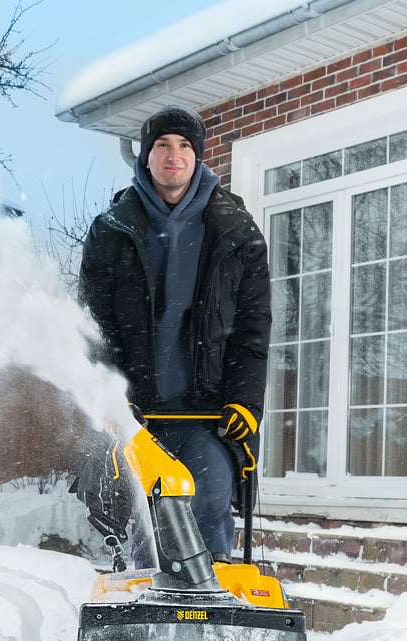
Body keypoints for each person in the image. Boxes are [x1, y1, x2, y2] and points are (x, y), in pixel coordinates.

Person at [78, 105, 272, 566]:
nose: (173, 155)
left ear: (199, 158)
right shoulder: (111, 233)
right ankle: (150, 619)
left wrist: (246, 402)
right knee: (154, 515)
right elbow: (90, 326)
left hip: (209, 414)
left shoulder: (236, 232)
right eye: (162, 145)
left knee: (208, 501)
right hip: (137, 414)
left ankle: (212, 619)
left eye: (185, 145)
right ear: (146, 158)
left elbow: (252, 329)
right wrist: (109, 397)